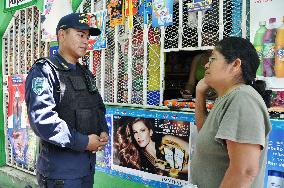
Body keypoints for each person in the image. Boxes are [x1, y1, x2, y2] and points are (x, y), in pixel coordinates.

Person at [25, 13, 108, 188]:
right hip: (60, 174)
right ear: (62, 35)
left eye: (87, 36)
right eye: (80, 35)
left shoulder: (85, 73)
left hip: (86, 169)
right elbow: (42, 120)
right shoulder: (44, 71)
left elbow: (98, 107)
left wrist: (103, 131)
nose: (86, 41)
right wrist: (84, 142)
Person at [190, 37, 272, 188]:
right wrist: (200, 93)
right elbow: (206, 135)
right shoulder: (227, 97)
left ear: (235, 64)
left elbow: (245, 171)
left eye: (213, 59)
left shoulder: (242, 99)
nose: (206, 64)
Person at [114, 118, 189, 180]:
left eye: (142, 130)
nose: (138, 136)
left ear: (150, 132)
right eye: (135, 132)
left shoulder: (166, 140)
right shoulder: (140, 158)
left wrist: (168, 168)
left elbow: (196, 160)